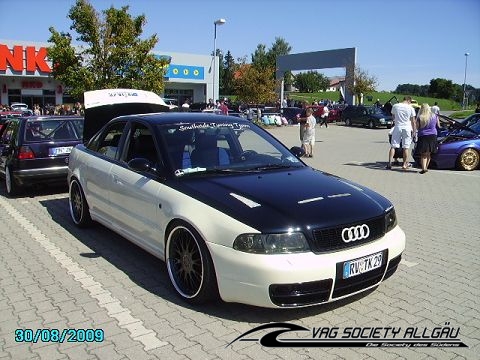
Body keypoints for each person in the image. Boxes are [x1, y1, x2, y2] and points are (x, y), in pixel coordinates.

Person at [387, 96, 416, 170]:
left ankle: (389, 163)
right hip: (407, 128)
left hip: (398, 127)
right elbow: (413, 121)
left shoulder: (395, 106)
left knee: (393, 146)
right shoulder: (411, 108)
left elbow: (393, 117)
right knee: (406, 147)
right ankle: (404, 164)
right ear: (409, 100)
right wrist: (414, 132)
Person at [415, 103, 440, 174]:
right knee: (429, 153)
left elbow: (417, 127)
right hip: (433, 135)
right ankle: (426, 167)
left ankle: (423, 168)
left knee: (423, 154)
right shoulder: (435, 116)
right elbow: (438, 125)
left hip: (423, 136)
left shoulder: (420, 117)